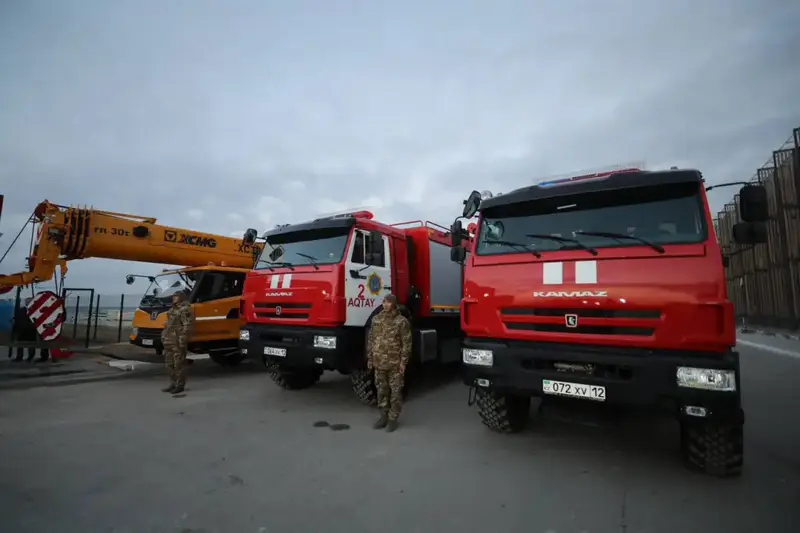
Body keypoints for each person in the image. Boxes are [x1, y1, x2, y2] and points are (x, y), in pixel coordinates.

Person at [366, 294, 412, 432]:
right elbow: (371, 340)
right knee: (381, 391)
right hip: (379, 363)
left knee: (395, 393)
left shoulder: (401, 322)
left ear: (394, 304)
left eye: (388, 302)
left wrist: (403, 362)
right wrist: (370, 358)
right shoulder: (376, 320)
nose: (385, 305)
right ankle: (383, 416)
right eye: (384, 302)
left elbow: (407, 344)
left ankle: (393, 418)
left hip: (395, 364)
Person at [160, 290, 193, 394]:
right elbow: (168, 325)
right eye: (173, 296)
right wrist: (164, 336)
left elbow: (187, 326)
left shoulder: (185, 309)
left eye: (176, 296)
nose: (174, 298)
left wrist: (182, 339)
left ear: (181, 297)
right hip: (169, 340)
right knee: (169, 364)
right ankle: (173, 383)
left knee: (179, 364)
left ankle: (180, 385)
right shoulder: (172, 310)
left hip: (178, 341)